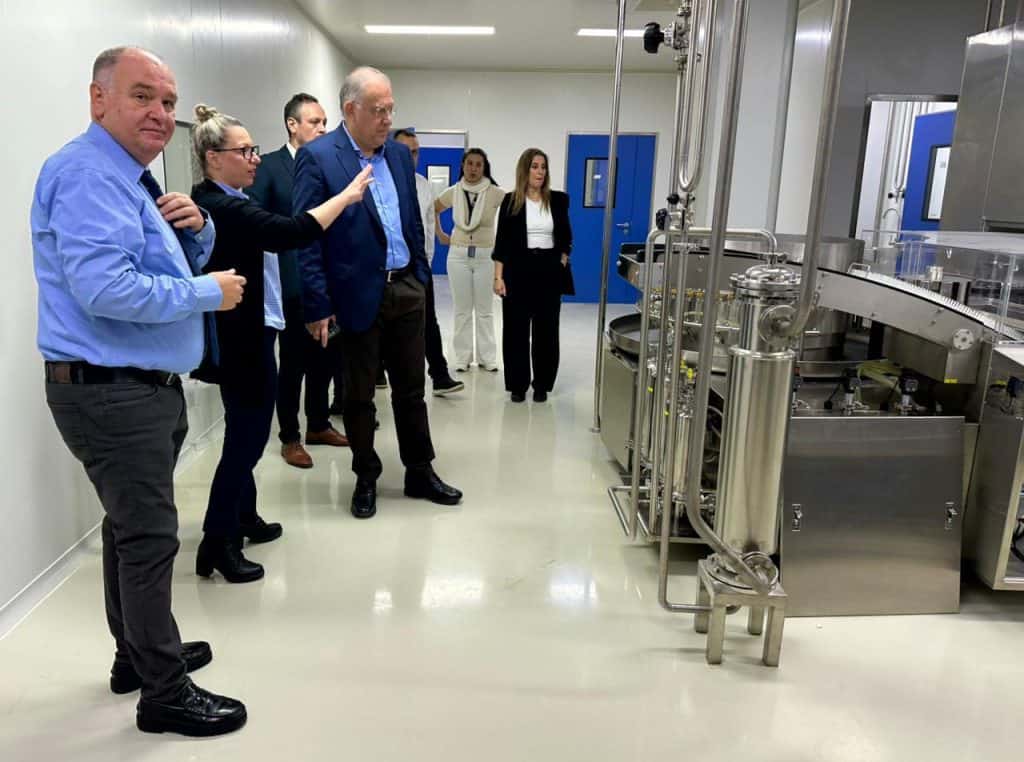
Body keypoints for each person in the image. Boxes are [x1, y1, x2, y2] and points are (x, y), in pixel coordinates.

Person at [32, 46, 246, 737]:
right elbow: (107, 290)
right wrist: (207, 293)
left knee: (129, 529)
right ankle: (164, 692)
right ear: (99, 100)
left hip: (136, 387)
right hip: (112, 392)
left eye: (168, 102)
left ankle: (137, 654)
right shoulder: (88, 175)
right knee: (149, 538)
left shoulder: (131, 178)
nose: (159, 113)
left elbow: (156, 265)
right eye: (142, 96)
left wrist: (199, 229)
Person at [191, 104, 372, 581]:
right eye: (244, 151)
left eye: (254, 149)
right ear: (213, 158)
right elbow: (293, 231)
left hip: (254, 331)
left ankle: (244, 517)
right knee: (247, 441)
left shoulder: (230, 199)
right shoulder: (221, 207)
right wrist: (347, 196)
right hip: (240, 342)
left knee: (243, 432)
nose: (254, 158)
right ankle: (217, 541)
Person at [293, 66, 463, 519]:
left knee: (412, 390)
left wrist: (420, 275)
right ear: (350, 110)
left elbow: (412, 221)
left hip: (406, 288)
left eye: (391, 109)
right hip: (355, 295)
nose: (388, 119)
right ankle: (365, 475)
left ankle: (419, 471)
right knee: (359, 396)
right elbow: (307, 237)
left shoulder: (399, 157)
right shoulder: (319, 158)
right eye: (378, 110)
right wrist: (318, 304)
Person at [249, 93, 349, 469]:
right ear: (292, 125)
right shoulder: (269, 167)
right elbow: (256, 220)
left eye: (324, 122)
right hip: (289, 283)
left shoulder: (328, 165)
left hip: (327, 281)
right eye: (314, 122)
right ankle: (290, 436)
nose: (322, 128)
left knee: (326, 358)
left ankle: (318, 424)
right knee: (293, 364)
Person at [492, 148, 573, 403]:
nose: (540, 172)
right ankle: (518, 385)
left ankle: (542, 385)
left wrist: (561, 260)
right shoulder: (511, 201)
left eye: (543, 167)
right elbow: (502, 242)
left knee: (546, 331)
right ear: (524, 170)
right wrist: (498, 277)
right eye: (535, 166)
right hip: (518, 269)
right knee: (515, 330)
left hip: (548, 269)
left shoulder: (558, 200)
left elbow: (566, 236)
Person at [392, 128, 463, 396]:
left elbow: (429, 225)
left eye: (415, 152)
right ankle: (378, 373)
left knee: (428, 323)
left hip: (418, 268)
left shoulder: (423, 185)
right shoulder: (377, 181)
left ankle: (439, 375)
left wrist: (427, 265)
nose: (412, 157)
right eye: (406, 151)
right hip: (388, 271)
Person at [435, 148, 505, 373]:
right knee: (462, 309)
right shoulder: (454, 191)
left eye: (478, 164)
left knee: (485, 310)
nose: (473, 169)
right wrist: (441, 234)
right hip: (458, 255)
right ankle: (462, 358)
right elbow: (433, 209)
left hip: (485, 256)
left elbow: (514, 211)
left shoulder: (495, 193)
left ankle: (488, 358)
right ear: (463, 166)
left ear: (484, 168)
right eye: (469, 163)